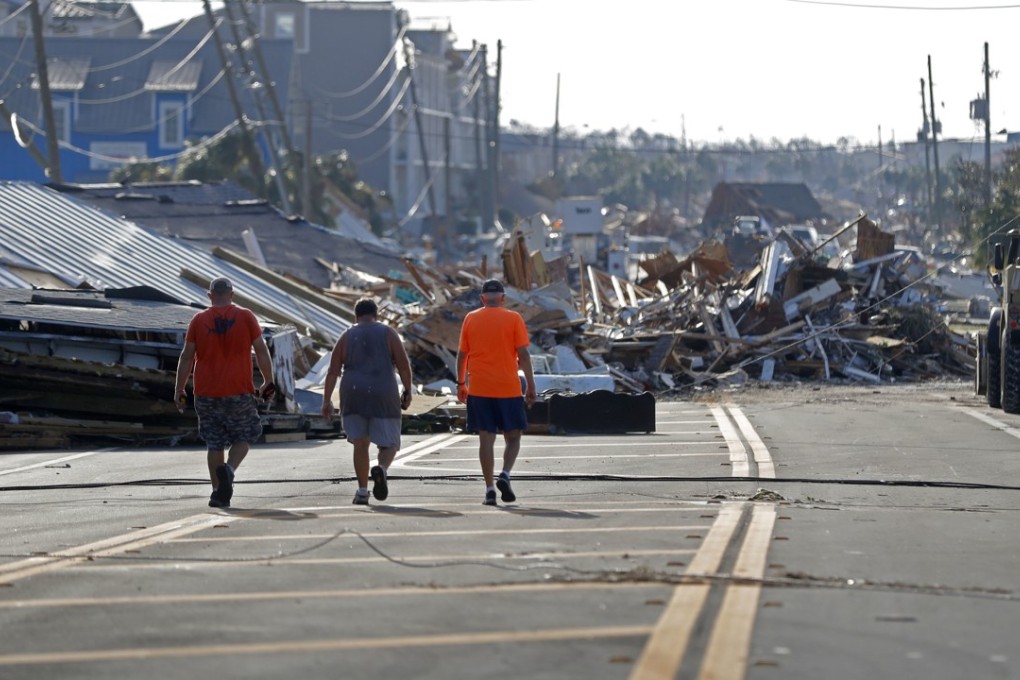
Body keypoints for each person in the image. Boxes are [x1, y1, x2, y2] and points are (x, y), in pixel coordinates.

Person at [175, 277, 275, 509]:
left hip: (206, 392)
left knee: (214, 443)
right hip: (238, 390)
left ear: (210, 296)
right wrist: (268, 380)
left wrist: (179, 388)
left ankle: (218, 493)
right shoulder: (246, 316)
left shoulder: (198, 320)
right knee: (245, 436)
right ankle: (228, 471)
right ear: (232, 294)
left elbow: (187, 356)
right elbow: (261, 350)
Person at [321, 298, 413, 505]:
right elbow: (403, 365)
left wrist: (326, 400)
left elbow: (333, 371)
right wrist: (407, 390)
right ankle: (382, 469)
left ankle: (362, 491)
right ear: (376, 314)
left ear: (356, 315)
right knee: (390, 441)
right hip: (383, 391)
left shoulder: (347, 335)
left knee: (360, 443)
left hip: (353, 392)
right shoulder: (388, 333)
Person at [456, 279, 536, 506]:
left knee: (486, 440)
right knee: (514, 437)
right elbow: (525, 355)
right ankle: (506, 474)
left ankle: (490, 489)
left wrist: (461, 383)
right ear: (503, 298)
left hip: (480, 388)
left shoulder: (471, 318)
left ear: (482, 298)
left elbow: (463, 355)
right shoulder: (513, 319)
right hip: (508, 388)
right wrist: (531, 385)